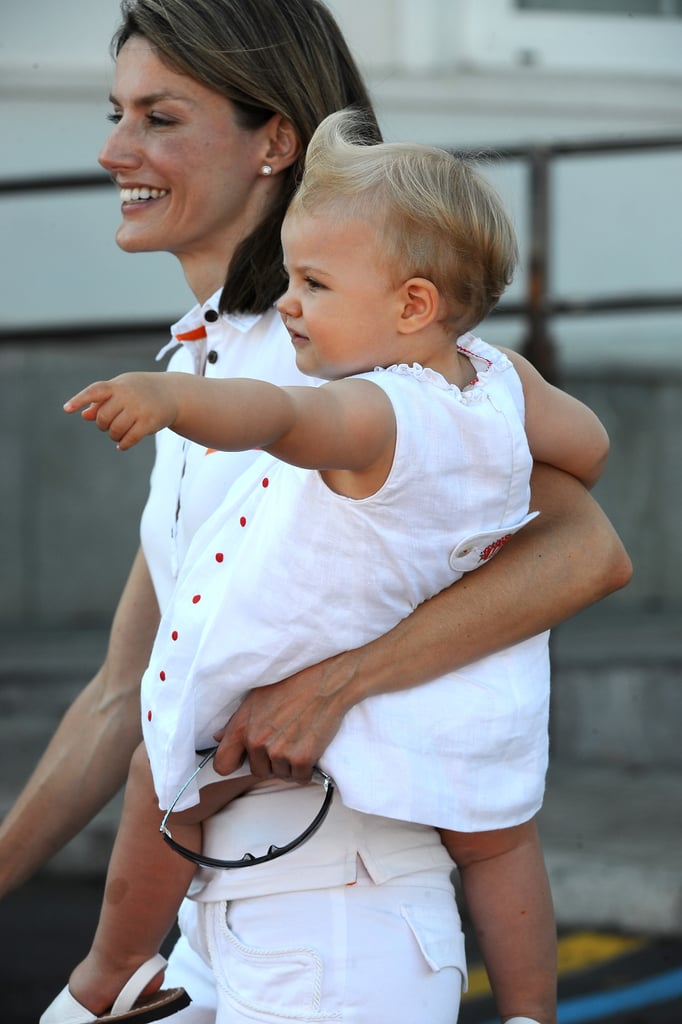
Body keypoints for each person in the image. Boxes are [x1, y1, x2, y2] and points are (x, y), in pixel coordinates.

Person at [0, 1, 631, 1023]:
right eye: (116, 113)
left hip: (346, 899)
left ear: (275, 141)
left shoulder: (356, 365)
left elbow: (586, 547)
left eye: (160, 117)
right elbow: (126, 690)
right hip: (219, 917)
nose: (117, 149)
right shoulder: (206, 363)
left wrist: (339, 684)